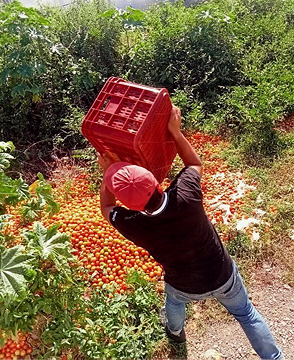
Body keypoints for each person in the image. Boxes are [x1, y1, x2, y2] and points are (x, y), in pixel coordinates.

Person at [97, 105, 283, 360]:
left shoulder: (133, 224)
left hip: (183, 284)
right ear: (154, 179)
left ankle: (175, 332)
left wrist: (109, 173)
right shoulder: (185, 193)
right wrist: (175, 131)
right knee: (246, 314)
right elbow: (194, 163)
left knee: (174, 302)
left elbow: (107, 207)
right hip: (221, 274)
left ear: (128, 205)